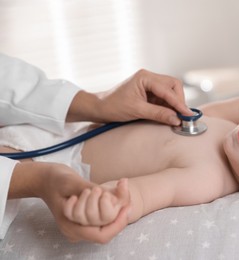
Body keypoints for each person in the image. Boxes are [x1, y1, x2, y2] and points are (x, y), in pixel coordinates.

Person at [1, 89, 239, 231]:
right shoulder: (234, 131)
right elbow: (200, 114)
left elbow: (153, 193)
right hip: (68, 126)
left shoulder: (209, 178)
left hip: (56, 159)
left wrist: (113, 204)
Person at [0, 53, 193, 243]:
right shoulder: (219, 121)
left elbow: (141, 194)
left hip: (49, 155)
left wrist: (106, 204)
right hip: (39, 141)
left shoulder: (212, 174)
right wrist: (36, 179)